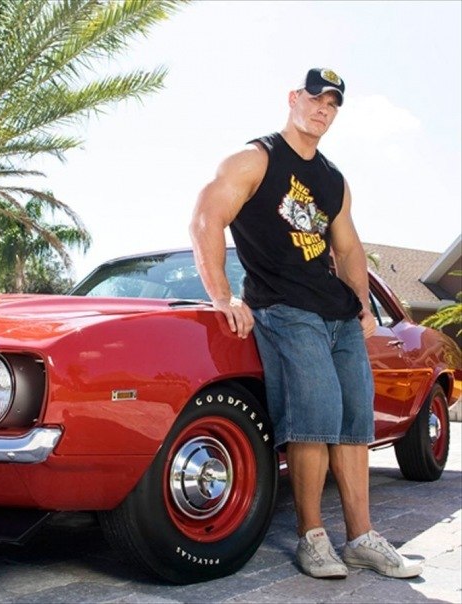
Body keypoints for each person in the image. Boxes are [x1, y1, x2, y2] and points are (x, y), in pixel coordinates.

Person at [189, 67, 423, 580]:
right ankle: (312, 537)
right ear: (293, 98)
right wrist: (222, 295)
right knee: (313, 420)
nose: (323, 109)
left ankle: (361, 539)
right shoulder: (255, 159)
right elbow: (206, 218)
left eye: (333, 104)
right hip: (285, 309)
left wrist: (362, 304)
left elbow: (349, 247)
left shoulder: (333, 179)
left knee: (354, 425)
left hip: (338, 317)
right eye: (316, 98)